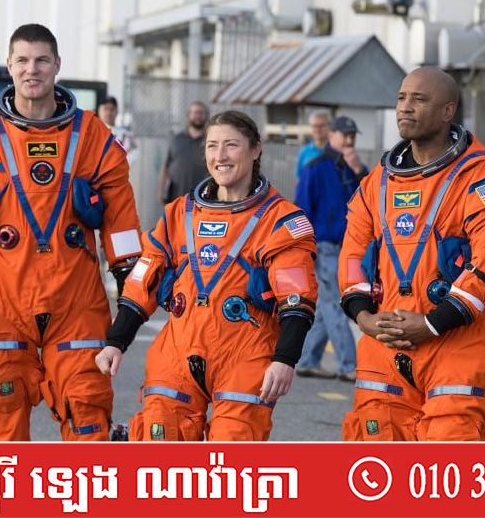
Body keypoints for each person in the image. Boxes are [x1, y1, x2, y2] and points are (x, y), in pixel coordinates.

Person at [0, 23, 143, 441]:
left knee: (87, 414)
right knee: (3, 420)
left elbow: (123, 229)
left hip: (75, 305)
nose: (31, 69)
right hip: (0, 305)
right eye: (22, 60)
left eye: (41, 60)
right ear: (9, 65)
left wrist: (129, 303)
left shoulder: (93, 138)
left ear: (57, 64)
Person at [95, 110, 318, 441]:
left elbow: (296, 300)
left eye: (231, 145)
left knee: (229, 459)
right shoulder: (178, 214)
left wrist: (285, 359)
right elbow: (143, 283)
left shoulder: (281, 221)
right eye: (213, 146)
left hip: (245, 357)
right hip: (177, 356)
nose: (220, 156)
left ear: (256, 150)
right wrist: (116, 341)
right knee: (159, 446)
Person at [338, 67, 485, 441]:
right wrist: (364, 317)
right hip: (384, 350)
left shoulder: (483, 181)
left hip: (456, 352)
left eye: (418, 99)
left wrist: (432, 324)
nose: (405, 107)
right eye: (401, 98)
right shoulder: (377, 184)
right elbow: (353, 258)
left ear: (447, 112)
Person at [293, 115, 366, 381]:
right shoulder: (315, 167)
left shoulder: (353, 167)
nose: (349, 141)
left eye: (352, 136)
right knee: (335, 304)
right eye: (345, 135)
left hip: (349, 246)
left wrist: (359, 172)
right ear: (332, 135)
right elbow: (301, 211)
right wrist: (304, 250)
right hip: (324, 246)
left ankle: (307, 359)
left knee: (327, 307)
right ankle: (349, 365)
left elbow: (369, 201)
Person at [159, 101, 208, 203]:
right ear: (188, 115)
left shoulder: (211, 140)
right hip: (177, 196)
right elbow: (166, 167)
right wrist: (160, 191)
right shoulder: (177, 139)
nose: (198, 116)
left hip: (203, 197)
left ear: (207, 115)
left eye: (201, 113)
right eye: (195, 112)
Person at [295, 111, 329, 179]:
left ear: (329, 127)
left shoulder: (336, 151)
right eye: (314, 126)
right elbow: (300, 180)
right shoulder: (304, 153)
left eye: (321, 126)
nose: (318, 129)